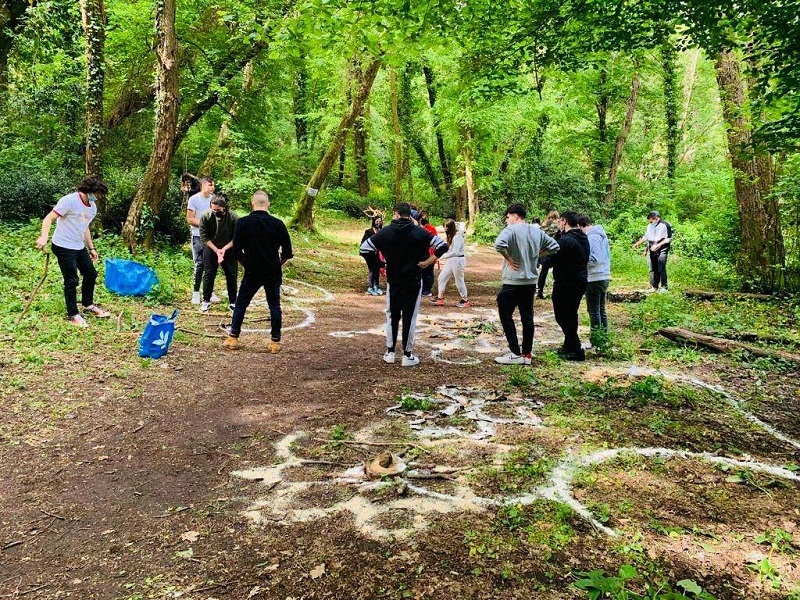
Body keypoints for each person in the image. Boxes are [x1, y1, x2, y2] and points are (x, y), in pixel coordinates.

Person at [360, 202, 448, 367]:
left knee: (392, 315)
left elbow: (364, 249)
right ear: (410, 215)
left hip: (393, 280)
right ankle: (407, 355)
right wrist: (428, 261)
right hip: (414, 280)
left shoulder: (385, 232)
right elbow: (442, 246)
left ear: (396, 214)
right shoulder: (420, 232)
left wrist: (380, 265)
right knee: (410, 316)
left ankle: (390, 352)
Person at [223, 191, 293, 353]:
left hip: (252, 270)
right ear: (268, 205)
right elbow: (287, 252)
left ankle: (233, 337)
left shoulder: (243, 223)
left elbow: (236, 251)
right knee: (274, 305)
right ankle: (275, 342)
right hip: (272, 271)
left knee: (241, 304)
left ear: (252, 203)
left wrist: (245, 265)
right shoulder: (278, 224)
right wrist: (277, 264)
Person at [35, 177, 111, 327]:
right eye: (96, 193)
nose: (97, 196)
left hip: (78, 246)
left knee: (91, 274)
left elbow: (85, 228)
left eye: (99, 194)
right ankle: (73, 314)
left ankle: (88, 305)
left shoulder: (92, 207)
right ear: (87, 190)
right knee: (71, 280)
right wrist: (44, 237)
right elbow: (48, 218)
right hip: (63, 246)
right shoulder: (69, 201)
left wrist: (91, 248)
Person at [494, 203, 560, 365]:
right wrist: (538, 255)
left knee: (505, 314)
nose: (507, 220)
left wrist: (509, 259)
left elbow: (499, 245)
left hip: (513, 280)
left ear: (515, 216)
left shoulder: (511, 230)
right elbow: (555, 247)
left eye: (508, 217)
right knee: (527, 317)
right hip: (530, 281)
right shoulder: (537, 231)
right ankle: (527, 354)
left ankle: (515, 352)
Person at [550, 211, 590, 361]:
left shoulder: (566, 241)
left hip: (566, 282)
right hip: (580, 280)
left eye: (560, 221)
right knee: (571, 313)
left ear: (564, 222)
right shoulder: (583, 238)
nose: (559, 224)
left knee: (562, 315)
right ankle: (568, 345)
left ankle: (576, 348)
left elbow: (551, 258)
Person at [199, 196, 239, 313]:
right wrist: (216, 250)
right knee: (209, 273)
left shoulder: (234, 218)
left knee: (231, 274)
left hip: (229, 247)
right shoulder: (205, 216)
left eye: (218, 210)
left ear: (224, 208)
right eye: (214, 210)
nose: (216, 212)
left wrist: (224, 249)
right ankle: (206, 300)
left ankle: (233, 302)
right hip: (211, 247)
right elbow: (204, 236)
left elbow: (237, 237)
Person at [187, 176, 220, 304]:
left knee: (211, 265)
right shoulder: (194, 199)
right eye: (210, 185)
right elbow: (190, 219)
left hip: (212, 238)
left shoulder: (215, 199)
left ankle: (209, 292)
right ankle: (196, 293)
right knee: (199, 264)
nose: (212, 188)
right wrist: (204, 224)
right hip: (198, 236)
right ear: (203, 185)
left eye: (213, 185)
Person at [578, 215, 611, 343]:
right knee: (600, 309)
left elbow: (595, 259)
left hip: (595, 277)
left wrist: (581, 261)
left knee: (594, 311)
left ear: (581, 226)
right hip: (603, 276)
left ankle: (596, 340)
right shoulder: (600, 235)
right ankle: (603, 338)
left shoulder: (592, 237)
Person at [431, 219, 469, 308]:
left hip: (458, 261)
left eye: (445, 227)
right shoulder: (450, 236)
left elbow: (455, 252)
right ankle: (440, 298)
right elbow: (449, 249)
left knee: (459, 281)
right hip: (451, 260)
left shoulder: (458, 237)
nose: (444, 229)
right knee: (441, 278)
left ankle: (465, 300)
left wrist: (443, 257)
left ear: (449, 227)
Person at [632, 210, 670, 292]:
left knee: (661, 266)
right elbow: (646, 237)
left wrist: (658, 245)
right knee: (654, 267)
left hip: (662, 247)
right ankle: (654, 286)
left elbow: (669, 239)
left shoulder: (665, 225)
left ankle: (664, 287)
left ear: (656, 218)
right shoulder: (650, 226)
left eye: (651, 220)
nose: (650, 221)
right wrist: (637, 244)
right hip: (652, 247)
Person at [537, 210, 561, 299]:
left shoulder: (543, 225)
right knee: (557, 271)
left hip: (543, 251)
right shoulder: (558, 225)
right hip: (554, 250)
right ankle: (556, 291)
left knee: (543, 272)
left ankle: (540, 291)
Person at [360, 215, 385, 296]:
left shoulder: (381, 231)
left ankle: (377, 286)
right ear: (374, 221)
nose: (378, 223)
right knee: (372, 269)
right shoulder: (369, 232)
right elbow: (363, 243)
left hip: (377, 253)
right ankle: (370, 287)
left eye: (380, 221)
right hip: (368, 253)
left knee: (377, 269)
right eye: (377, 221)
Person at [418, 210, 438, 297]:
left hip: (429, 254)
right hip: (419, 254)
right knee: (419, 272)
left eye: (426, 217)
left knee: (428, 272)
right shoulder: (416, 228)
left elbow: (436, 241)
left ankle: (427, 289)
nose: (424, 219)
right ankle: (420, 289)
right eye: (423, 218)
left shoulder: (431, 228)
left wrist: (434, 255)